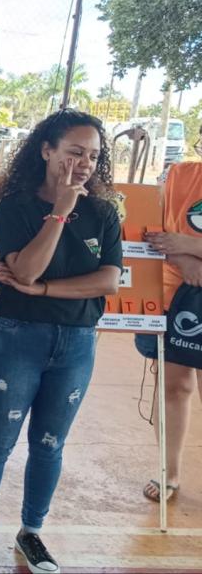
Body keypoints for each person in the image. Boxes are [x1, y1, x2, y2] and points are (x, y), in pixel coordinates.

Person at [0, 109, 122, 574]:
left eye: (93, 155)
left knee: (50, 444)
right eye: (75, 151)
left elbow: (109, 280)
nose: (85, 163)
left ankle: (32, 532)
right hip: (16, 338)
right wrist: (60, 212)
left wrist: (47, 290)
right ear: (46, 150)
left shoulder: (104, 213)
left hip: (76, 341)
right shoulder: (15, 208)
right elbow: (26, 268)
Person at [135, 132, 202, 504]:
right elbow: (152, 231)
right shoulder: (179, 175)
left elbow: (181, 238)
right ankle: (169, 472)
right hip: (176, 296)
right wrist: (182, 259)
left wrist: (192, 246)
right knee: (175, 386)